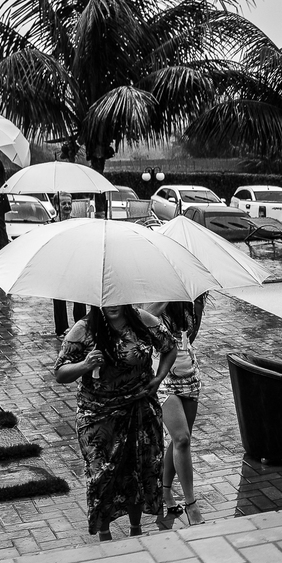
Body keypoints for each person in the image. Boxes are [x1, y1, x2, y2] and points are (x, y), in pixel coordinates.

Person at [54, 305, 176, 540]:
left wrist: (159, 378)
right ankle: (104, 534)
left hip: (139, 408)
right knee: (102, 476)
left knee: (137, 471)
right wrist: (85, 365)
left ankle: (136, 530)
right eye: (105, 299)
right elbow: (60, 372)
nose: (112, 304)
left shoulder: (142, 321)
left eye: (116, 297)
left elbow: (169, 347)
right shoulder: (85, 328)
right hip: (98, 415)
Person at [143, 295, 207, 527]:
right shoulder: (156, 296)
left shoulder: (192, 301)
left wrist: (196, 302)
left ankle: (165, 491)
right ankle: (191, 504)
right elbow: (142, 320)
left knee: (181, 441)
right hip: (163, 376)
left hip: (189, 375)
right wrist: (170, 294)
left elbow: (191, 337)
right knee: (181, 438)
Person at [52, 194, 88, 336]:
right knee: (59, 297)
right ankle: (61, 328)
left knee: (79, 296)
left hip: (74, 263)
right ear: (56, 206)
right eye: (63, 204)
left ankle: (81, 326)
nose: (67, 206)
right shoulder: (51, 225)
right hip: (58, 264)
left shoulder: (76, 223)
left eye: (69, 203)